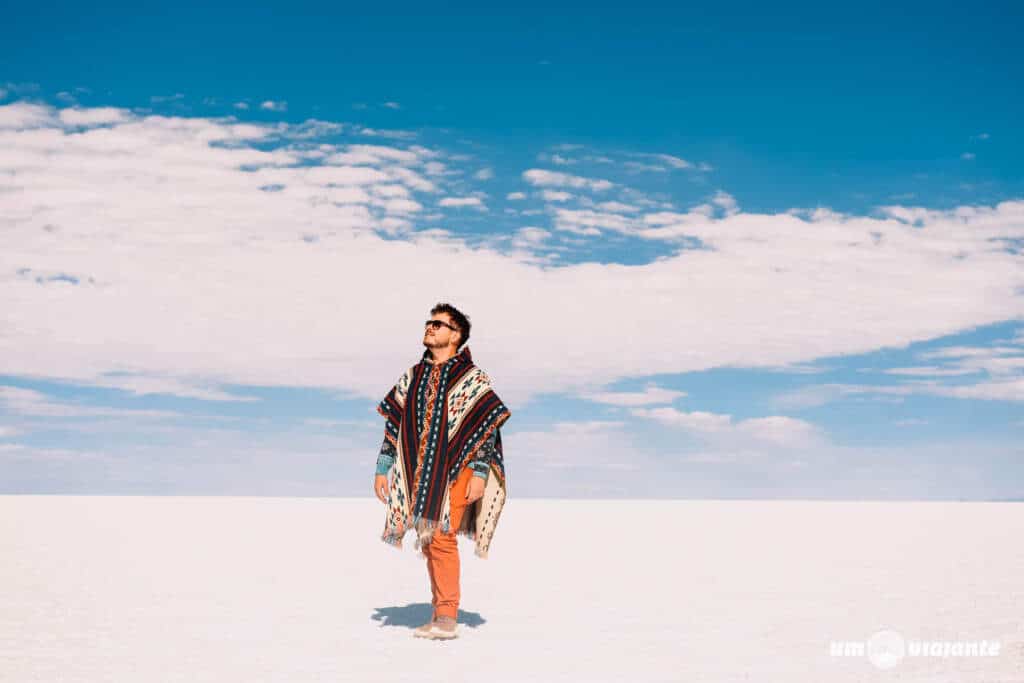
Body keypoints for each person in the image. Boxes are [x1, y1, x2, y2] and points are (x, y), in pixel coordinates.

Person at [373, 302, 511, 640]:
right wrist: (383, 467)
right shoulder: (413, 376)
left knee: (443, 535)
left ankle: (447, 617)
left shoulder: (471, 377)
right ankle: (440, 611)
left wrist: (480, 473)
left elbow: (485, 427)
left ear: (456, 334)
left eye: (439, 324)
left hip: (458, 467)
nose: (430, 328)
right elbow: (396, 423)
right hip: (420, 469)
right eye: (428, 322)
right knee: (431, 538)